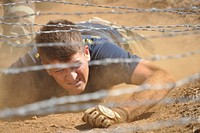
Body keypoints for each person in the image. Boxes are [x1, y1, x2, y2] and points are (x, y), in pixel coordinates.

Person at [1, 19, 176, 128]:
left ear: (86, 53)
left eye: (76, 65)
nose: (72, 77)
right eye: (59, 70)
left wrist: (122, 111)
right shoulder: (28, 67)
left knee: (145, 53)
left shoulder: (104, 54)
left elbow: (163, 77)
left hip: (109, 32)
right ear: (46, 66)